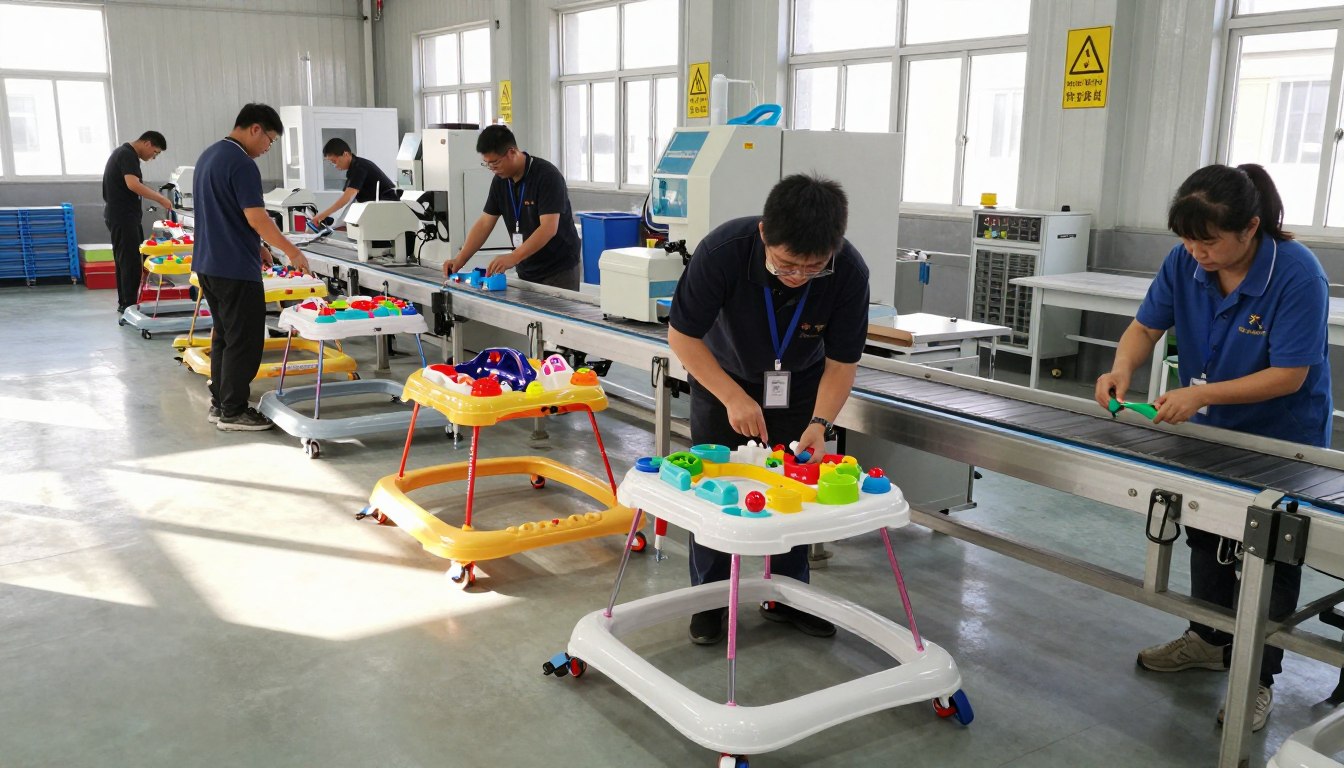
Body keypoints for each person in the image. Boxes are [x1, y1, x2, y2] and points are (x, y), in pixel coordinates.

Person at [1093, 163, 1332, 732]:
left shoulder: (1297, 275)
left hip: (1283, 438)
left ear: (1250, 228)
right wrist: (1121, 367)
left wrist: (1200, 395)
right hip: (1212, 426)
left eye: (1209, 241)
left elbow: (1290, 374)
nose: (1195, 252)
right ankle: (1208, 638)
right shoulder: (1186, 262)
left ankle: (1258, 677)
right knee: (1204, 527)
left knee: (1271, 552)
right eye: (1187, 240)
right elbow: (1145, 327)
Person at [667, 174, 871, 645]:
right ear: (764, 233)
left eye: (813, 268)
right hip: (724, 380)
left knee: (794, 489)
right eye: (785, 264)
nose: (797, 276)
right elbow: (682, 335)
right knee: (717, 488)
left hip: (799, 388)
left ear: (834, 249)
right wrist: (731, 397)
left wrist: (820, 423)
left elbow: (842, 363)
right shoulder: (722, 252)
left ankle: (788, 596)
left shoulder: (848, 271)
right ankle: (711, 600)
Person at [192, 104, 311, 432]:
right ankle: (234, 411)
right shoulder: (242, 163)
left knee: (224, 337)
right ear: (255, 129)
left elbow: (223, 212)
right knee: (244, 341)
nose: (267, 148)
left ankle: (221, 403)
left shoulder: (209, 156)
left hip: (209, 263)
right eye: (270, 140)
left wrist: (257, 246)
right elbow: (256, 217)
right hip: (233, 267)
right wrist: (292, 251)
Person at [441, 125, 581, 290]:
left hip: (558, 269)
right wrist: (460, 259)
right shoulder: (500, 182)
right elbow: (485, 223)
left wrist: (513, 257)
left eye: (495, 163)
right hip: (527, 267)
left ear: (512, 152)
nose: (492, 169)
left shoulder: (547, 176)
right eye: (487, 164)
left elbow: (548, 228)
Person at [102, 131, 174, 314]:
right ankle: (129, 305)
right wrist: (160, 198)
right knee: (130, 262)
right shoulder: (127, 155)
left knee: (127, 260)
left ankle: (126, 302)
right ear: (147, 143)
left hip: (123, 216)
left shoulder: (123, 153)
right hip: (123, 217)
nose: (153, 157)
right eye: (155, 152)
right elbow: (133, 184)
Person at [310, 137, 401, 226]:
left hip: (389, 207)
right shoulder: (353, 170)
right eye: (331, 163)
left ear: (345, 154)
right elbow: (348, 199)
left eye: (334, 161)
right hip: (378, 208)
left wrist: (322, 216)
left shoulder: (360, 167)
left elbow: (346, 198)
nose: (335, 165)